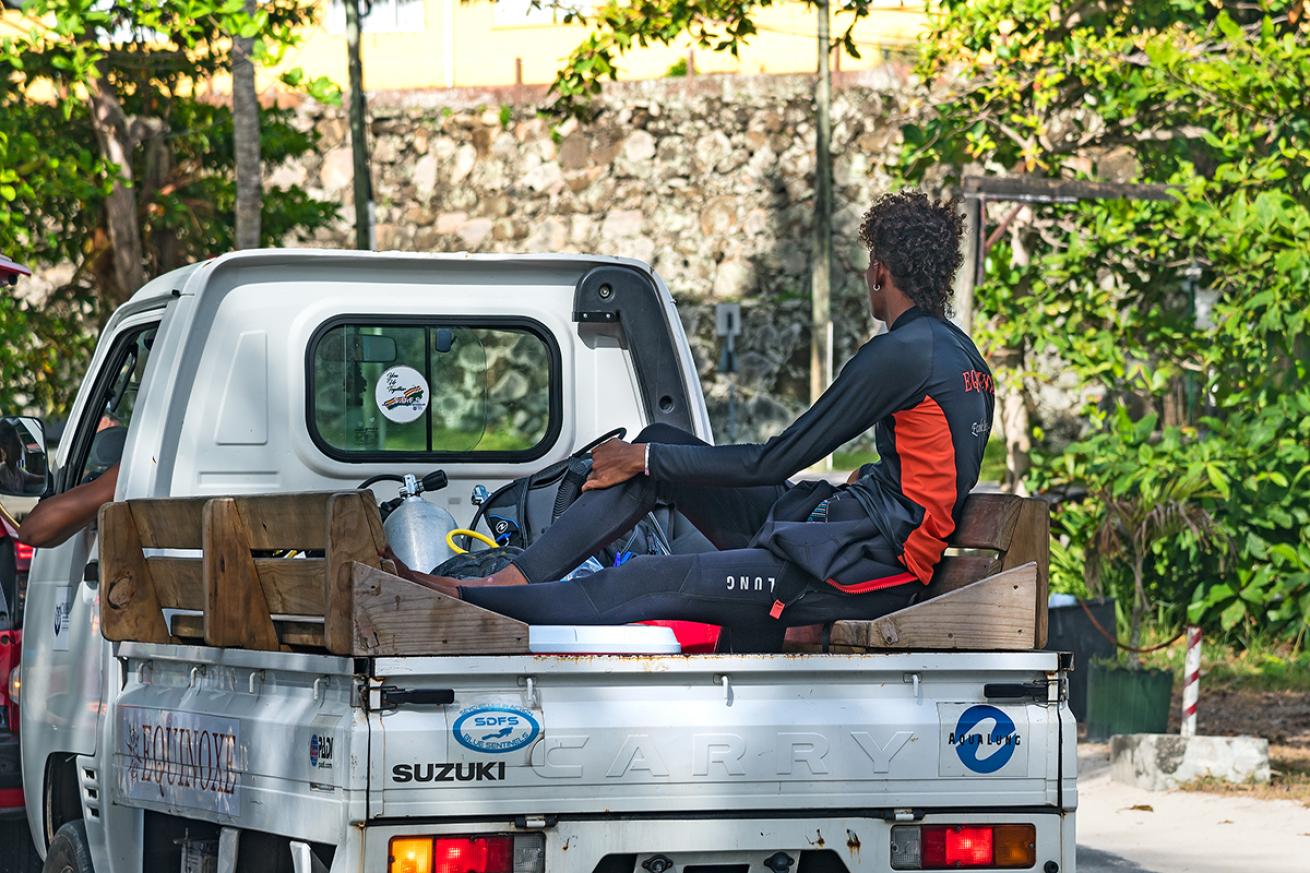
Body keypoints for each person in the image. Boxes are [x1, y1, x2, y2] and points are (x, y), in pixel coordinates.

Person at [396, 190, 996, 651]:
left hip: (860, 571)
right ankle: (512, 580)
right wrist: (651, 457)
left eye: (871, 262)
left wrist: (643, 460)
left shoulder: (901, 353)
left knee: (652, 574)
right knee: (657, 442)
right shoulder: (961, 354)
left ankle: (477, 598)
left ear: (881, 271)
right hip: (850, 535)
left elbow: (778, 458)